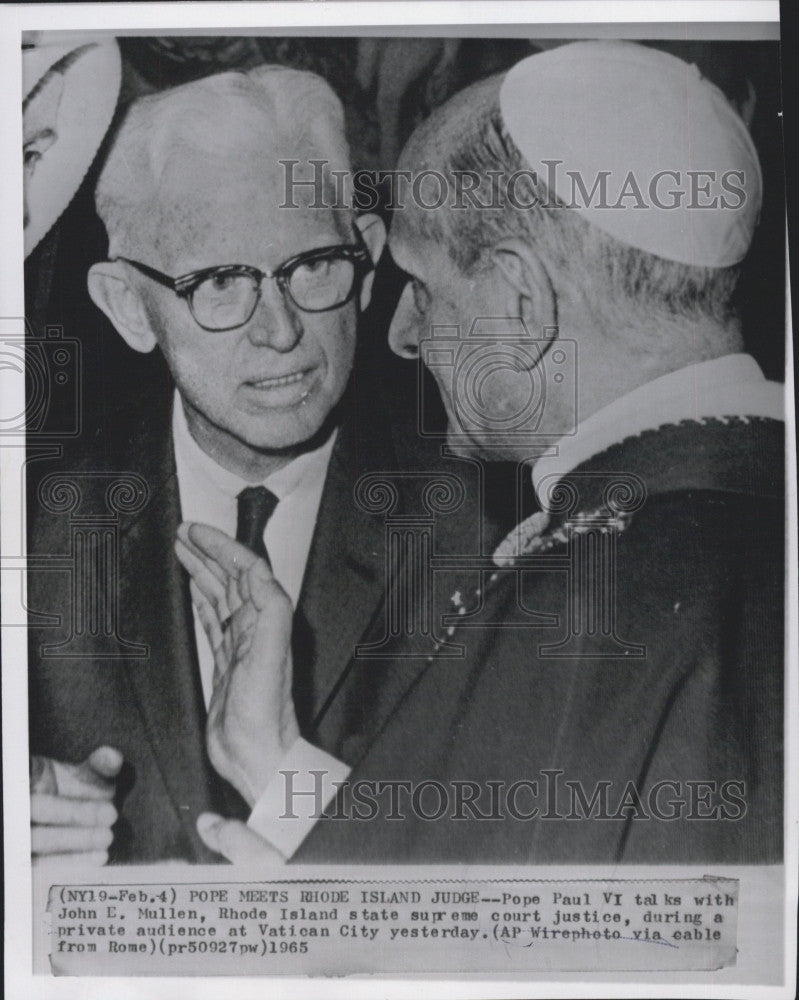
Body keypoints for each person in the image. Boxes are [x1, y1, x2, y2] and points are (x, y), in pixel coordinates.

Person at [183, 41, 785, 864]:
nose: (402, 336)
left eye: (422, 289)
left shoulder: (584, 592)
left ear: (517, 302)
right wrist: (271, 754)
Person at [27, 64, 487, 864]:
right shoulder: (33, 529)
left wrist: (291, 792)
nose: (278, 331)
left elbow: (498, 874)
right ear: (128, 306)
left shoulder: (488, 532)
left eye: (312, 266)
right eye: (219, 282)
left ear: (369, 265)